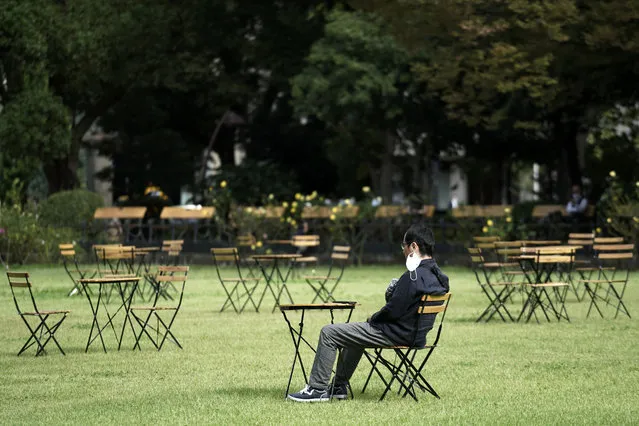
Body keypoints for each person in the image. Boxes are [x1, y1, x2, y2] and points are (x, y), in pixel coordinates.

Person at [287, 224, 450, 402]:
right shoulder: (439, 277)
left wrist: (374, 318)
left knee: (329, 332)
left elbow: (393, 310)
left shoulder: (413, 276)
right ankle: (338, 387)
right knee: (354, 333)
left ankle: (317, 389)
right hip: (417, 335)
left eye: (403, 245)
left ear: (413, 246)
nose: (403, 250)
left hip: (396, 334)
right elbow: (404, 307)